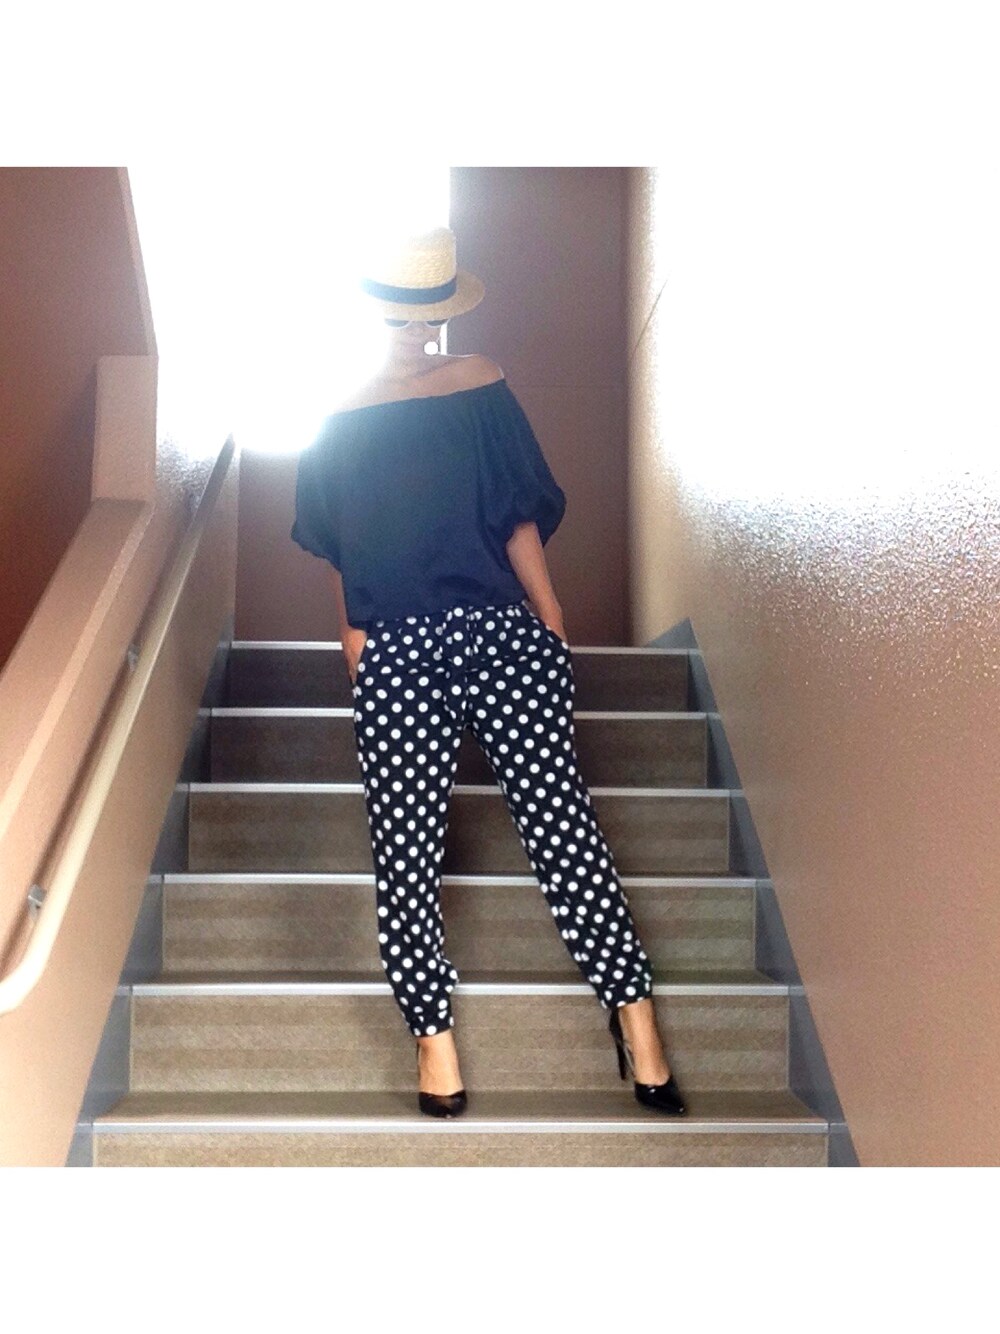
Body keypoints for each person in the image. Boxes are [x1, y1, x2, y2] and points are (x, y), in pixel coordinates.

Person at [290, 224, 686, 1119]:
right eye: (401, 312)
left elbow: (515, 517)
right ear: (373, 308)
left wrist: (550, 618)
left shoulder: (480, 382)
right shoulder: (338, 414)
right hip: (397, 649)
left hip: (502, 634)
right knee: (404, 850)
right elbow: (338, 549)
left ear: (444, 309)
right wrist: (356, 647)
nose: (415, 329)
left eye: (427, 312)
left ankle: (636, 1018)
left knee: (564, 829)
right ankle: (433, 1039)